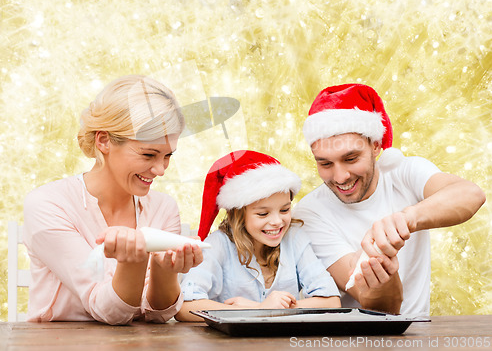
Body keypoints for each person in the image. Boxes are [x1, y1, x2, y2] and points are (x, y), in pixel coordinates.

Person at [23, 75, 203, 324]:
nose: (161, 170)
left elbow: (157, 315)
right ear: (104, 140)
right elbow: (107, 311)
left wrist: (165, 270)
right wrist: (134, 261)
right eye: (149, 154)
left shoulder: (164, 207)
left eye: (167, 156)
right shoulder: (48, 204)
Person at [293, 83, 486, 316]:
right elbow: (377, 307)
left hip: (419, 334)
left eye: (351, 158)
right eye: (325, 163)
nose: (340, 176)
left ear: (375, 145)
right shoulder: (309, 214)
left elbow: (471, 194)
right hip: (351, 340)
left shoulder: (404, 173)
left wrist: (406, 218)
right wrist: (383, 273)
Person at [175, 150, 341, 322]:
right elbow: (186, 308)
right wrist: (260, 308)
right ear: (239, 214)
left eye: (285, 210)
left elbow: (332, 302)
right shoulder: (218, 244)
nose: (277, 221)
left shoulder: (294, 238)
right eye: (263, 214)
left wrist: (268, 310)